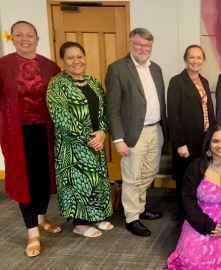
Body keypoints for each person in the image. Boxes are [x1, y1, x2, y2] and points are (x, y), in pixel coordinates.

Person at [0, 20, 61, 257]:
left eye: (29, 35)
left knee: (43, 179)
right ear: (12, 38)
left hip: (45, 132)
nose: (24, 39)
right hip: (17, 134)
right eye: (19, 35)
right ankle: (32, 233)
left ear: (37, 38)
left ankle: (41, 217)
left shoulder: (50, 67)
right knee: (24, 180)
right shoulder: (3, 66)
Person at [47, 42, 113, 238]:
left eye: (79, 56)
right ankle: (80, 223)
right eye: (70, 57)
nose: (76, 61)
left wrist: (102, 132)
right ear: (63, 61)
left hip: (96, 140)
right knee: (78, 182)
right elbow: (60, 116)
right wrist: (87, 136)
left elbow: (104, 110)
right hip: (72, 145)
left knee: (96, 179)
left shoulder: (93, 82)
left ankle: (97, 215)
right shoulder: (57, 84)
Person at [106, 28, 167, 237]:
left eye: (147, 46)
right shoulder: (117, 69)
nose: (143, 49)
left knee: (149, 173)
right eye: (139, 44)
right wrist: (118, 139)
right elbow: (112, 108)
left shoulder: (156, 69)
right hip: (133, 133)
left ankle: (139, 208)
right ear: (131, 43)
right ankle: (132, 217)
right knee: (132, 176)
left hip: (155, 129)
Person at [167, 125, 221, 269]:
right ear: (208, 143)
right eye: (215, 141)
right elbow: (188, 201)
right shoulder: (195, 167)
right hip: (200, 220)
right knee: (194, 260)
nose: (220, 145)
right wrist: (206, 225)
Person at [167, 44, 216, 221]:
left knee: (200, 177)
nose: (195, 61)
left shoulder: (204, 81)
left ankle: (196, 212)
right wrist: (180, 143)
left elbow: (210, 111)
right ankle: (182, 216)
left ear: (203, 60)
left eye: (199, 57)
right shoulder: (176, 82)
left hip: (203, 140)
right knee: (185, 179)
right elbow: (173, 115)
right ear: (186, 60)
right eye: (191, 57)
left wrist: (213, 137)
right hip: (186, 142)